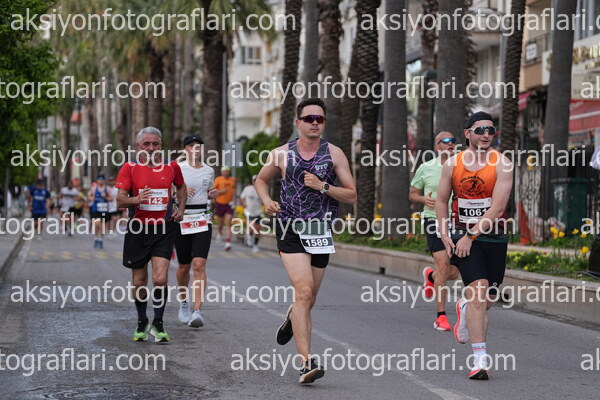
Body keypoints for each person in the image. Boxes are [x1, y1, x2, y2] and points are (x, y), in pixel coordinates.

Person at [255, 98, 356, 384]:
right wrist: (267, 201)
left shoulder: (334, 154)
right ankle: (306, 362)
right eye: (309, 118)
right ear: (298, 122)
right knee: (304, 291)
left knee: (308, 299)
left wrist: (323, 186)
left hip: (320, 231)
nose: (314, 123)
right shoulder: (280, 154)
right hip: (289, 227)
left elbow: (351, 195)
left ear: (324, 123)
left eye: (319, 119)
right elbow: (260, 180)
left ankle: (292, 317)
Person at [436, 111, 513, 380]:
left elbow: (498, 207)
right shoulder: (452, 164)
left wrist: (473, 234)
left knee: (486, 301)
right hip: (463, 236)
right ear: (467, 133)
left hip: (494, 236)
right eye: (479, 130)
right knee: (479, 293)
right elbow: (441, 200)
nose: (486, 134)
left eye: (490, 130)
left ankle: (465, 308)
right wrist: (445, 233)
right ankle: (480, 360)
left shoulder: (502, 164)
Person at [116, 126, 186, 343]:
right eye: (146, 144)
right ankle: (141, 321)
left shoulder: (171, 166)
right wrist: (136, 200)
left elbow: (181, 187)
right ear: (138, 146)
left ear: (160, 145)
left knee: (160, 278)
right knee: (139, 282)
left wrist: (181, 209)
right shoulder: (129, 168)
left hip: (163, 229)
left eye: (155, 144)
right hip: (138, 230)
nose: (151, 148)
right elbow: (120, 200)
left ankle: (158, 323)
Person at [409, 132, 461, 331]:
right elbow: (413, 193)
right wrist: (423, 199)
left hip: (457, 222)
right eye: (446, 141)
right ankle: (441, 317)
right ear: (437, 147)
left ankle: (431, 278)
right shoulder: (426, 167)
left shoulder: (461, 166)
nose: (450, 144)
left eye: (453, 141)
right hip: (433, 219)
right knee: (443, 265)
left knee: (454, 273)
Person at [174, 135, 218, 328]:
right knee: (184, 266)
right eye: (191, 146)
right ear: (186, 149)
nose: (195, 148)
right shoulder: (178, 168)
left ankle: (197, 310)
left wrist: (213, 194)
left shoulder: (209, 170)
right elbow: (168, 192)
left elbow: (209, 192)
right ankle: (184, 302)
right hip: (182, 217)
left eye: (198, 146)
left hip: (202, 218)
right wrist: (181, 192)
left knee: (199, 264)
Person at [213, 166, 235, 250]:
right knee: (220, 223)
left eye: (227, 171)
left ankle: (228, 242)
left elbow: (233, 189)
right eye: (224, 171)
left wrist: (233, 200)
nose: (226, 173)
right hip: (220, 203)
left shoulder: (232, 180)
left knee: (228, 222)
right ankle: (219, 232)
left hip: (229, 204)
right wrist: (220, 192)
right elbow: (213, 192)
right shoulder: (218, 179)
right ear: (222, 172)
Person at [240, 175, 263, 253]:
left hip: (258, 212)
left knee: (258, 230)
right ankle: (249, 236)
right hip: (249, 211)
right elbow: (242, 197)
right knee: (252, 226)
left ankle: (255, 246)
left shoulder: (262, 189)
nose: (256, 181)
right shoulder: (247, 189)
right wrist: (243, 203)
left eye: (257, 180)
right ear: (252, 181)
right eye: (254, 180)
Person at [88, 175, 113, 249]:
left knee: (103, 226)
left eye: (102, 180)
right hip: (96, 209)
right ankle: (96, 238)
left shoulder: (107, 189)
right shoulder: (94, 188)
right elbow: (89, 197)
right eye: (99, 179)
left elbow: (111, 199)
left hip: (105, 210)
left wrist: (105, 197)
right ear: (97, 180)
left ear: (104, 181)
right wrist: (92, 198)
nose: (101, 181)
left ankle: (100, 239)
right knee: (97, 223)